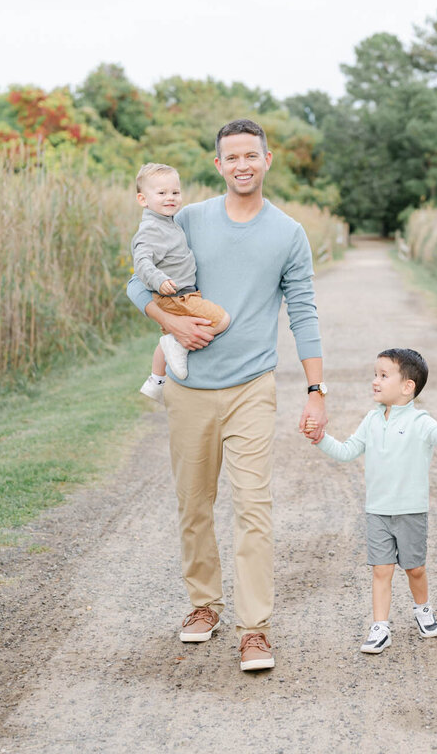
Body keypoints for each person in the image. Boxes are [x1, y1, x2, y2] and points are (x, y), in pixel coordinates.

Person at [126, 119, 328, 672]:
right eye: (231, 157)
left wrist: (316, 388)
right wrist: (168, 321)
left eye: (251, 155)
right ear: (218, 165)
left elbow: (304, 313)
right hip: (190, 388)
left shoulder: (287, 233)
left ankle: (255, 629)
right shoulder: (185, 219)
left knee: (253, 506)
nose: (242, 164)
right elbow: (136, 281)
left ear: (268, 160)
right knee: (194, 503)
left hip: (252, 387)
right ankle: (202, 606)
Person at [304, 348, 437, 654]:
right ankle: (380, 626)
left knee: (415, 569)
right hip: (378, 512)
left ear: (407, 386)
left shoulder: (420, 421)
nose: (375, 381)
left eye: (384, 376)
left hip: (411, 512)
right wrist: (321, 438)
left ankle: (423, 608)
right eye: (375, 374)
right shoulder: (371, 421)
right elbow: (346, 452)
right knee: (381, 570)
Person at [130, 163, 231, 402]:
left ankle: (156, 380)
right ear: (143, 199)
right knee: (221, 320)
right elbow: (142, 262)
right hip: (178, 296)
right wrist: (159, 279)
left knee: (163, 341)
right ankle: (178, 342)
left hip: (176, 296)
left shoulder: (168, 222)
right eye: (162, 193)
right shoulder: (151, 229)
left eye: (175, 192)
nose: (171, 198)